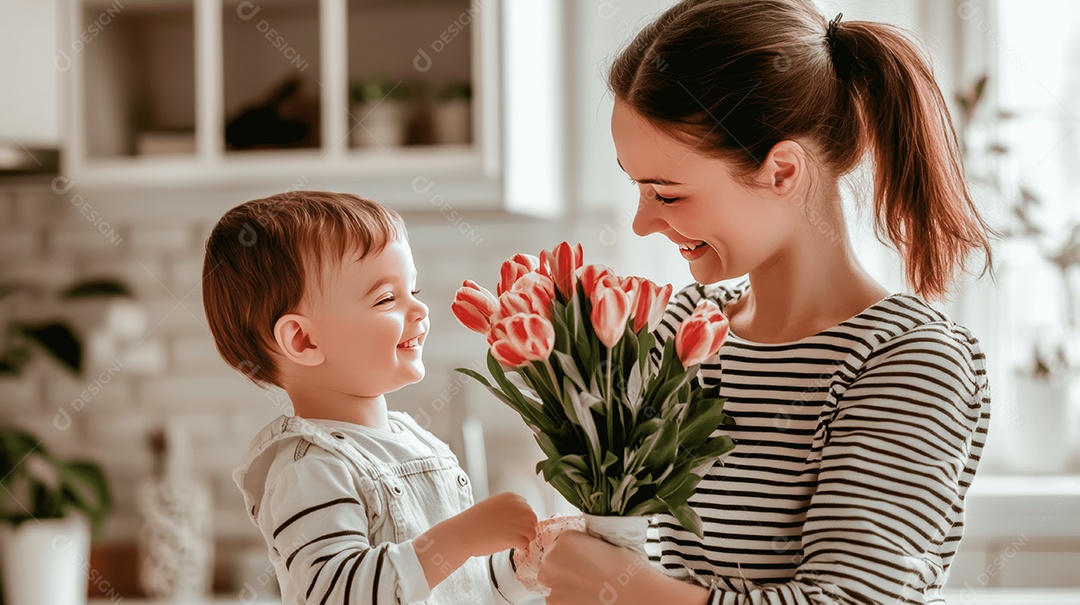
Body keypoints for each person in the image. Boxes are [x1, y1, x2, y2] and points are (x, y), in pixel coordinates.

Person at [537, 1, 995, 604]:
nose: (644, 222)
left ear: (781, 171)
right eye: (637, 186)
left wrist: (626, 592)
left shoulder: (910, 362)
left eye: (667, 193)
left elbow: (852, 599)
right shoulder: (683, 327)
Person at [203, 191, 544, 604]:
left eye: (412, 290)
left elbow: (457, 586)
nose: (419, 310)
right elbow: (340, 592)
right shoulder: (310, 468)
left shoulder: (414, 440)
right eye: (387, 299)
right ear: (303, 339)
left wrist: (520, 566)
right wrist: (463, 536)